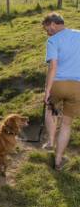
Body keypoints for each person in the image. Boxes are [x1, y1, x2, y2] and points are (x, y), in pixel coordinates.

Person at [43, 12, 80, 170]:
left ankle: (51, 142)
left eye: (47, 29)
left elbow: (53, 67)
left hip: (58, 84)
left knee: (50, 111)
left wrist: (47, 90)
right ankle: (58, 161)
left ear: (52, 24)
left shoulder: (53, 40)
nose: (47, 32)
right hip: (77, 86)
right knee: (66, 124)